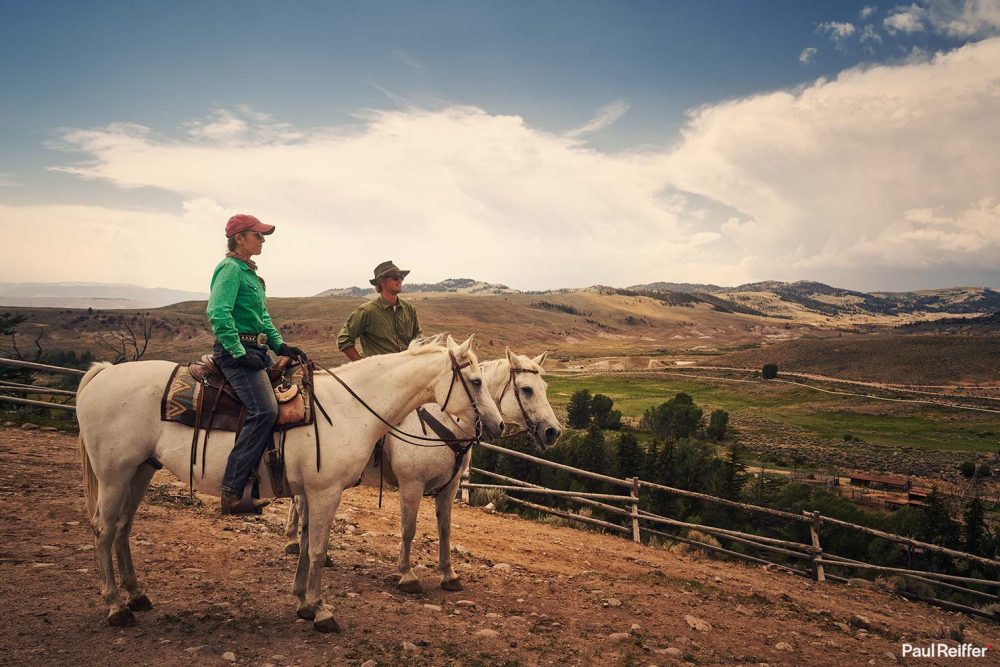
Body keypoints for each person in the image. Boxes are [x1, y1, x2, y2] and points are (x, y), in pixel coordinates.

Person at [207, 213, 306, 515]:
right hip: (235, 354)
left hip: (256, 352)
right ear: (240, 238)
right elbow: (218, 313)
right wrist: (238, 352)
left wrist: (280, 345)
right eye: (258, 235)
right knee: (265, 410)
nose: (262, 240)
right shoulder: (230, 269)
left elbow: (263, 320)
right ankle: (232, 490)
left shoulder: (251, 275)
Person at [337, 260, 422, 361]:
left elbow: (417, 338)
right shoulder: (367, 311)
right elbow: (344, 339)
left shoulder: (409, 309)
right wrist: (362, 364)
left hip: (406, 371)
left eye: (401, 277)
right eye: (395, 277)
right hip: (379, 373)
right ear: (381, 281)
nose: (400, 280)